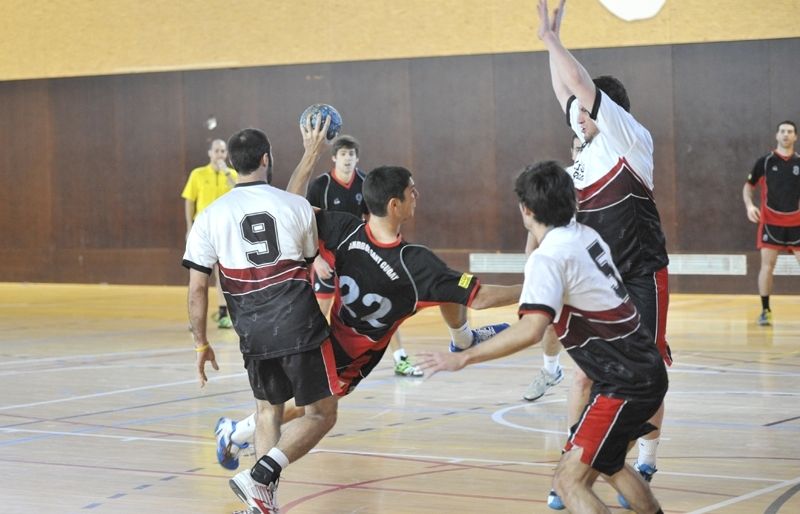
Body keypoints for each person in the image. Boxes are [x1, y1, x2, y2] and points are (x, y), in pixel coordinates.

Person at [213, 163, 517, 472]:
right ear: (394, 205)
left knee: (449, 285)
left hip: (323, 330)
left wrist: (310, 155)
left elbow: (292, 210)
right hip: (349, 353)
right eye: (412, 191)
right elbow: (481, 297)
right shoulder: (415, 264)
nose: (417, 195)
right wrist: (536, 288)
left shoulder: (345, 229)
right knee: (314, 410)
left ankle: (463, 339)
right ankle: (240, 441)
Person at [418, 161, 668, 514]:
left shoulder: (550, 257)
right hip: (640, 370)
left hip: (623, 382)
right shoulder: (585, 236)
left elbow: (532, 329)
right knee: (609, 463)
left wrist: (464, 357)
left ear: (526, 210)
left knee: (568, 482)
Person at [535, 1, 673, 508]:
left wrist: (554, 42)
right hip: (601, 283)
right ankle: (579, 461)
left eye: (583, 108)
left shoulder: (628, 138)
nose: (574, 114)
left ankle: (641, 459)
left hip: (641, 275)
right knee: (585, 373)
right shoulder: (584, 150)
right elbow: (564, 90)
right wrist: (548, 43)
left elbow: (578, 84)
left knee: (646, 372)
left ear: (604, 110)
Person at [183, 125, 338, 514]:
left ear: (232, 164)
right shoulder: (294, 205)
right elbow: (308, 260)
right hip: (299, 326)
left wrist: (201, 344)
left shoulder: (209, 216)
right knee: (321, 414)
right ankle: (258, 477)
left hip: (252, 331)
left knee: (268, 411)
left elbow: (197, 290)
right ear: (266, 159)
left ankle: (262, 503)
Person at [307, 134, 423, 377]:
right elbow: (306, 223)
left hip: (357, 258)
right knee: (318, 312)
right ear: (334, 158)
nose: (347, 158)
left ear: (357, 158)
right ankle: (308, 361)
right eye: (343, 154)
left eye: (351, 154)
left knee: (384, 308)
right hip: (327, 256)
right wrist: (316, 259)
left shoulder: (365, 183)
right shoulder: (320, 185)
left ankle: (400, 358)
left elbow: (376, 221)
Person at [522, 133, 581, 402]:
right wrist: (531, 266)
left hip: (586, 268)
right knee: (549, 324)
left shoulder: (603, 181)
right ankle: (550, 370)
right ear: (571, 152)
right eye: (578, 148)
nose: (581, 153)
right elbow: (534, 231)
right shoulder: (562, 182)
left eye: (586, 148)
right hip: (558, 266)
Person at [742, 120, 800, 326]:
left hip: (797, 223)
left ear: (795, 137)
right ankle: (765, 310)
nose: (786, 134)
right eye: (782, 131)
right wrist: (749, 206)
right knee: (767, 266)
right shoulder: (765, 162)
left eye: (790, 131)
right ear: (777, 135)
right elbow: (748, 186)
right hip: (770, 223)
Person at [181, 139, 238, 329]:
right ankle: (196, 319)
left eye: (223, 151)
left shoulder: (233, 174)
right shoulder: (197, 174)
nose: (219, 154)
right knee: (198, 275)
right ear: (209, 153)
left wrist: (227, 172)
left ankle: (223, 314)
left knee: (222, 275)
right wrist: (189, 227)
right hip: (202, 230)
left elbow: (239, 193)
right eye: (216, 150)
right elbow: (189, 201)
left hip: (225, 230)